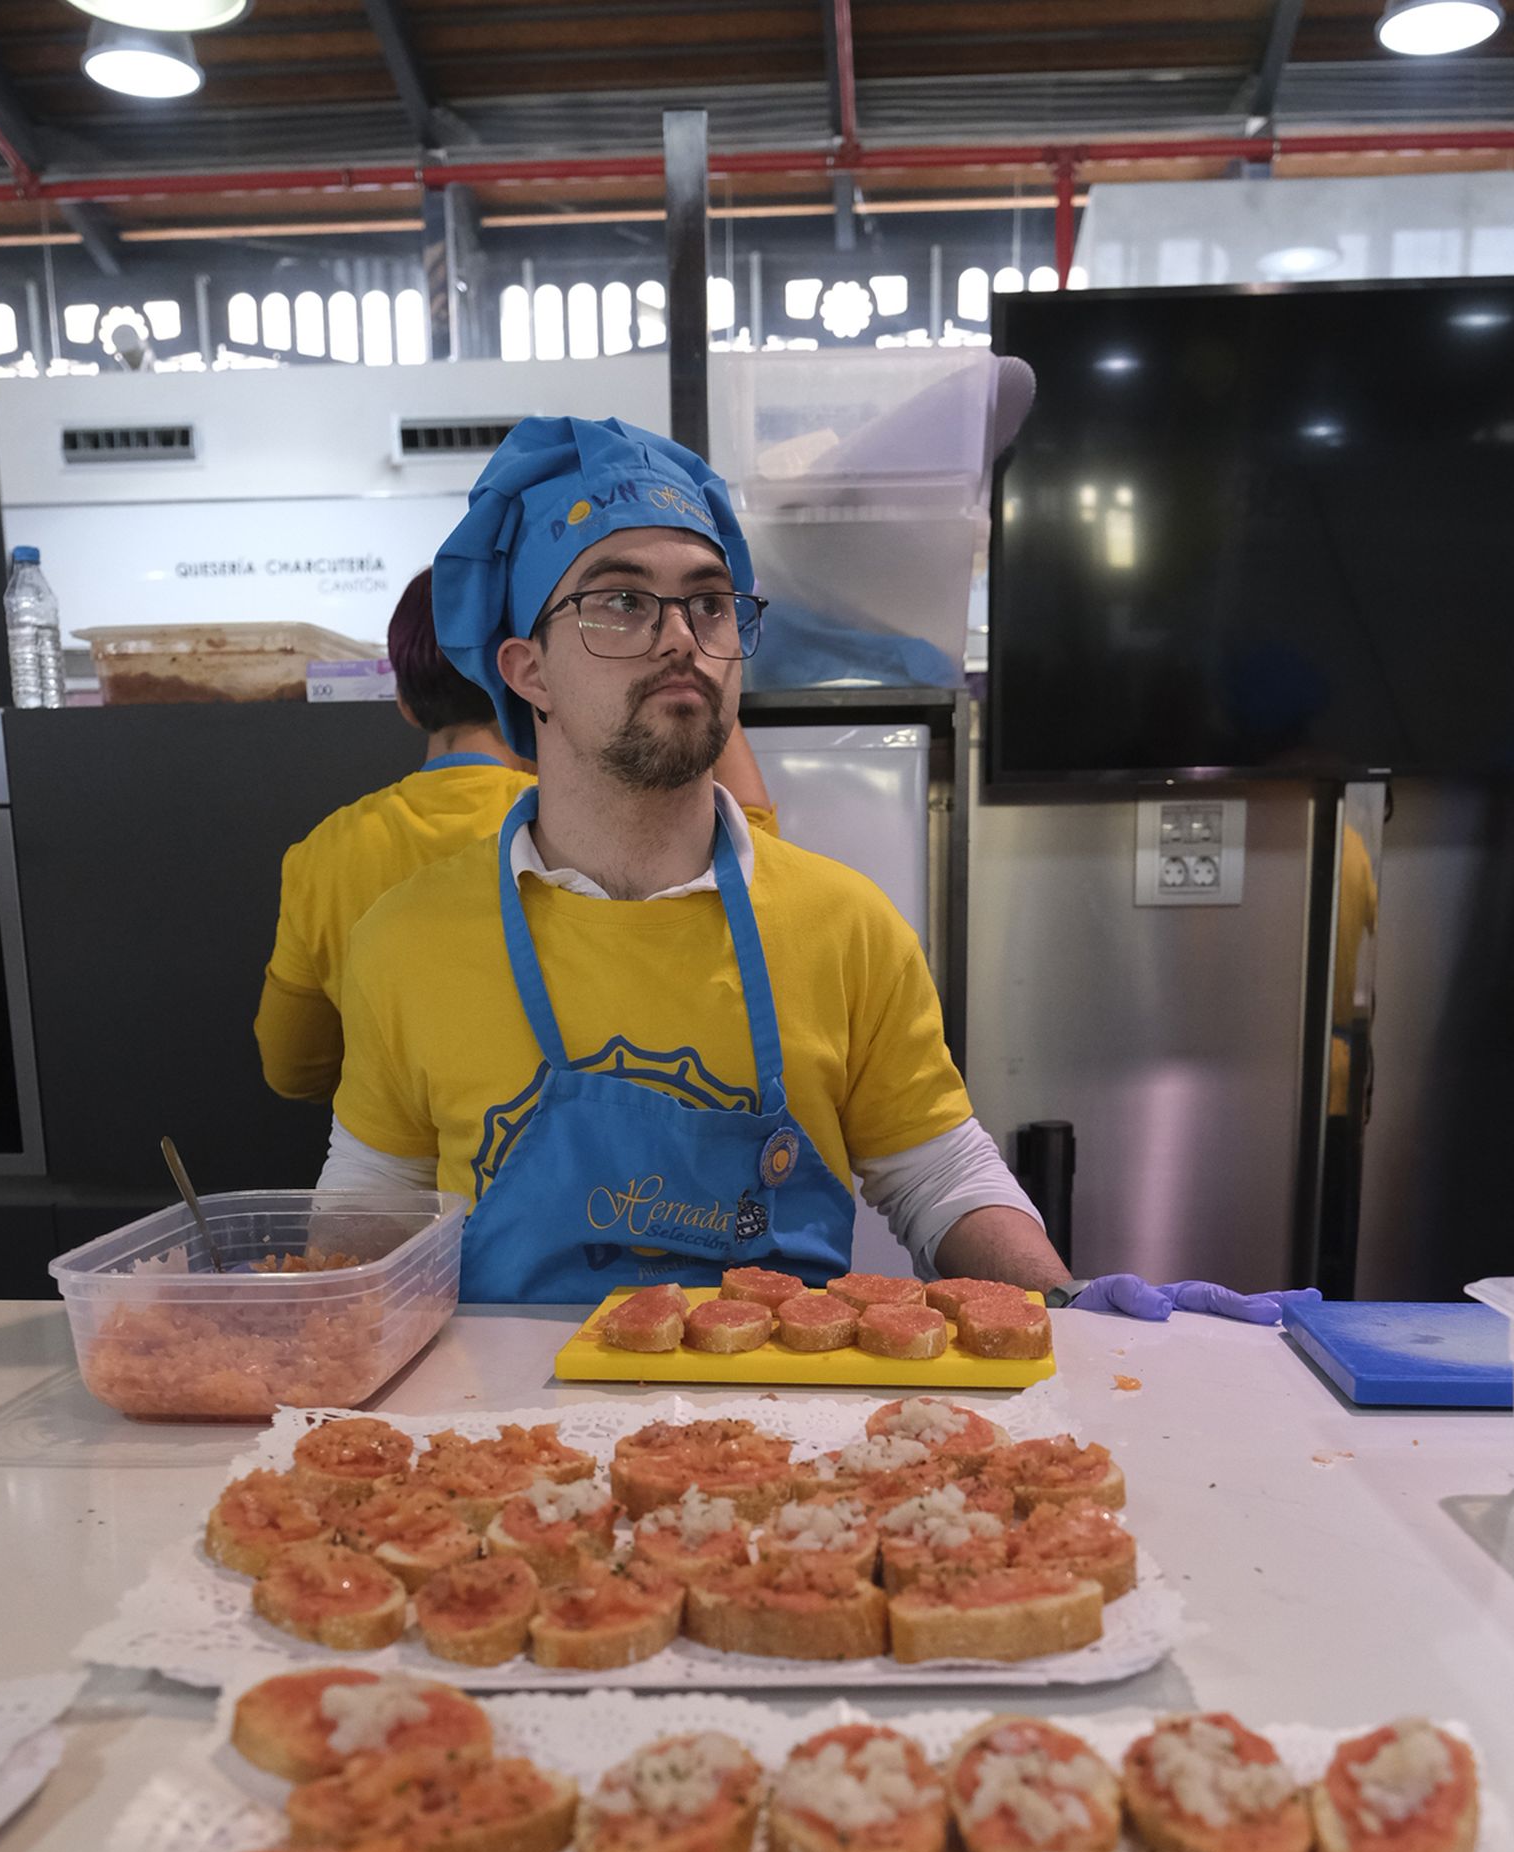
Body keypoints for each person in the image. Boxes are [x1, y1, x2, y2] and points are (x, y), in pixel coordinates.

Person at [322, 414, 1069, 1302]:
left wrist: (1070, 1309)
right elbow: (375, 1206)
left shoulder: (848, 927)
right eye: (623, 601)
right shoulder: (407, 939)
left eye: (710, 603)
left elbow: (940, 1179)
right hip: (499, 1429)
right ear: (528, 670)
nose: (681, 636)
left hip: (785, 1421)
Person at [256, 562, 779, 1108]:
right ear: (531, 676)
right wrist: (698, 669)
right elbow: (752, 857)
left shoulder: (324, 854)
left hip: (406, 1177)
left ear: (406, 704)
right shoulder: (575, 830)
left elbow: (293, 1068)